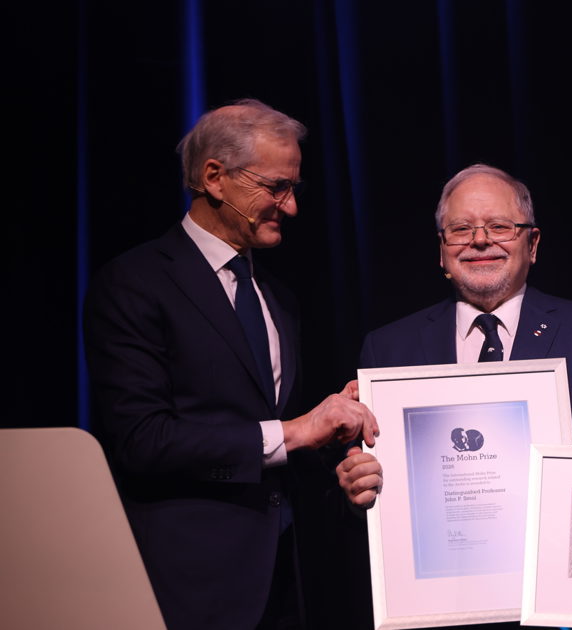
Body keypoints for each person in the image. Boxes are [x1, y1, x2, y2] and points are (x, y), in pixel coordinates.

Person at [84, 99, 381, 630]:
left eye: (294, 188)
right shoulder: (134, 284)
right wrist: (293, 431)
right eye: (275, 188)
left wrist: (336, 448)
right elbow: (142, 441)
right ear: (215, 178)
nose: (289, 207)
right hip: (188, 587)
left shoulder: (278, 296)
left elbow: (280, 437)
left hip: (286, 579)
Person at [333, 163, 572, 627]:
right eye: (461, 229)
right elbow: (370, 494)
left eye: (500, 226)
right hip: (438, 606)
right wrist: (355, 482)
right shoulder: (388, 348)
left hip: (563, 607)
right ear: (442, 253)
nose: (480, 241)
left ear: (533, 243)